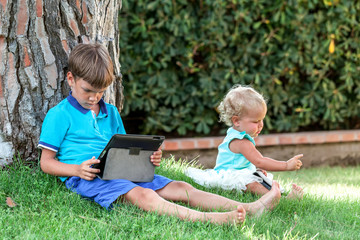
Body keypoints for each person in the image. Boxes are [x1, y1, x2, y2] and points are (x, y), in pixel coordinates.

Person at [38, 43, 282, 225]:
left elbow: (122, 148)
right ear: (71, 79)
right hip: (88, 177)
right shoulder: (59, 115)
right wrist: (76, 169)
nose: (94, 98)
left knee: (180, 186)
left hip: (119, 170)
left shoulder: (110, 112)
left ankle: (249, 208)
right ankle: (213, 219)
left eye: (101, 91)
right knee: (142, 194)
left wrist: (148, 158)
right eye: (88, 90)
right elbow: (46, 163)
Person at [185, 85, 304, 199]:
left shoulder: (236, 134)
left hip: (240, 173)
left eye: (262, 119)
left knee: (261, 179)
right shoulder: (240, 141)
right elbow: (260, 161)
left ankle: (275, 192)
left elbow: (242, 162)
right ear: (236, 121)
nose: (261, 125)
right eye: (256, 121)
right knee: (253, 184)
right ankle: (281, 199)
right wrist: (286, 165)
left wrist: (253, 170)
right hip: (229, 177)